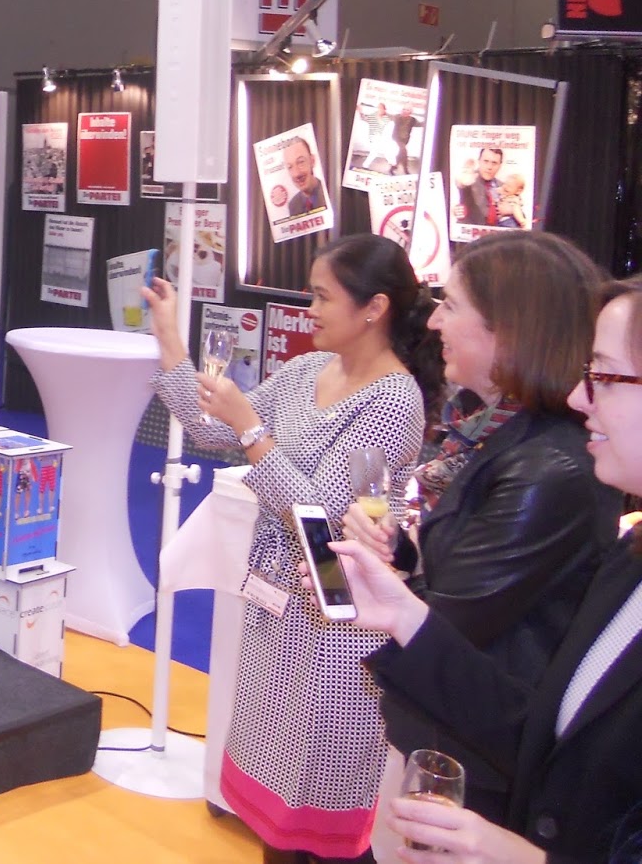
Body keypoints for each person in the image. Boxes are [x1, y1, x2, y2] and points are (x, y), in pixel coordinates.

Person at [143, 233, 444, 863]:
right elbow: (209, 426)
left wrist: (250, 427)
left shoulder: (393, 401)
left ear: (374, 308)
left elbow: (321, 519)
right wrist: (169, 336)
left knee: (323, 820)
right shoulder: (309, 370)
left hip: (336, 636)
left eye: (323, 297)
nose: (310, 310)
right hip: (276, 614)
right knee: (272, 817)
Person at [326, 275, 642, 862]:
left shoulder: (549, 466)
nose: (581, 398)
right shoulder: (630, 564)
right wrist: (403, 615)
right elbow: (546, 738)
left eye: (604, 376)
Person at [455, 146, 504, 225]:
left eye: (494, 163)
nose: (489, 167)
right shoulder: (469, 179)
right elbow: (461, 183)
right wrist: (464, 181)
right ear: (479, 161)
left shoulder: (503, 186)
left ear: (500, 165)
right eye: (486, 161)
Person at [284, 136, 327, 217]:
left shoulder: (329, 193)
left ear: (312, 161)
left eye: (301, 162)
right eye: (290, 167)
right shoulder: (293, 205)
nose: (296, 174)